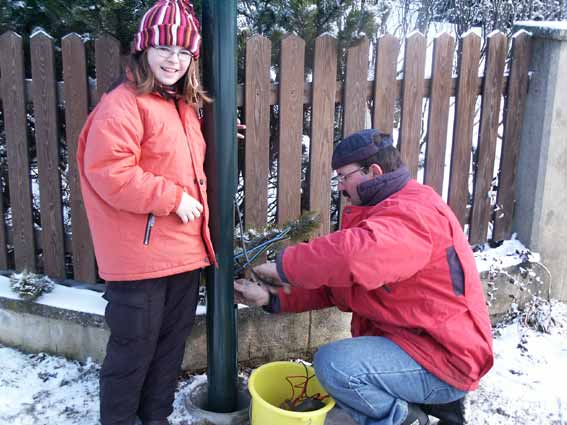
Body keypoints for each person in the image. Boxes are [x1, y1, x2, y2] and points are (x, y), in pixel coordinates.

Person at [234, 129, 494, 425]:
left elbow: (352, 257)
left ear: (375, 172)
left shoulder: (414, 213)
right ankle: (423, 404)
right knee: (342, 366)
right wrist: (272, 297)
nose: (341, 187)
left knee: (336, 366)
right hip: (415, 342)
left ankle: (407, 419)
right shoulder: (381, 211)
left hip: (444, 356)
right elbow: (340, 285)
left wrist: (286, 266)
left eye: (344, 177)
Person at [76, 1, 223, 424]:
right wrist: (173, 199)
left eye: (183, 51)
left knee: (169, 351)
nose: (174, 60)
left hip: (182, 254)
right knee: (132, 356)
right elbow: (109, 171)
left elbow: (171, 149)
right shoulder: (123, 104)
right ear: (143, 49)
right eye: (164, 48)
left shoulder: (181, 106)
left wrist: (214, 132)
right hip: (140, 261)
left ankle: (155, 418)